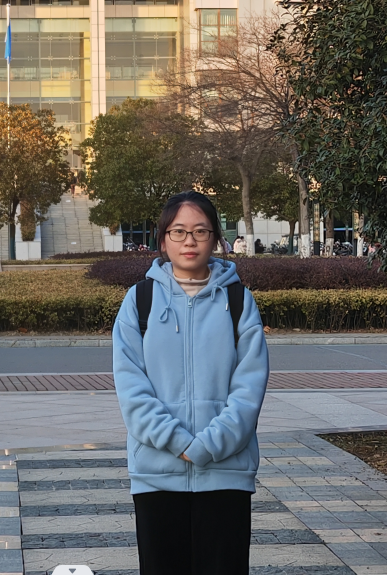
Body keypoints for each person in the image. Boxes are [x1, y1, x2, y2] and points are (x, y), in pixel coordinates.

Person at [113, 190, 270, 575]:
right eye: (178, 231)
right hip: (157, 475)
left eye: (200, 231)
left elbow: (249, 388)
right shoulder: (139, 301)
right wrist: (179, 442)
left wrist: (209, 445)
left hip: (226, 474)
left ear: (216, 238)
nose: (189, 241)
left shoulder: (239, 301)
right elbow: (132, 388)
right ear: (163, 239)